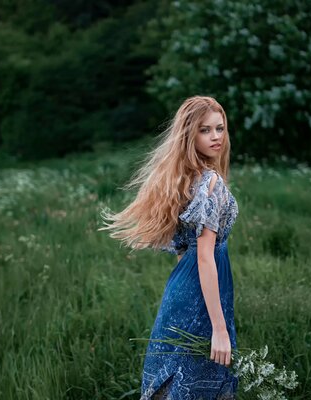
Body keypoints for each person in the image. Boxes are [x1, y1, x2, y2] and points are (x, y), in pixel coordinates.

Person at [99, 95, 240, 399]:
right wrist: (218, 327)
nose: (215, 137)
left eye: (220, 128)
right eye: (205, 130)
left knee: (180, 371)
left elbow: (183, 250)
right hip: (202, 284)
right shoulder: (210, 182)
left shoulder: (188, 179)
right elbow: (204, 256)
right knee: (200, 371)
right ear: (190, 135)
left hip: (183, 285)